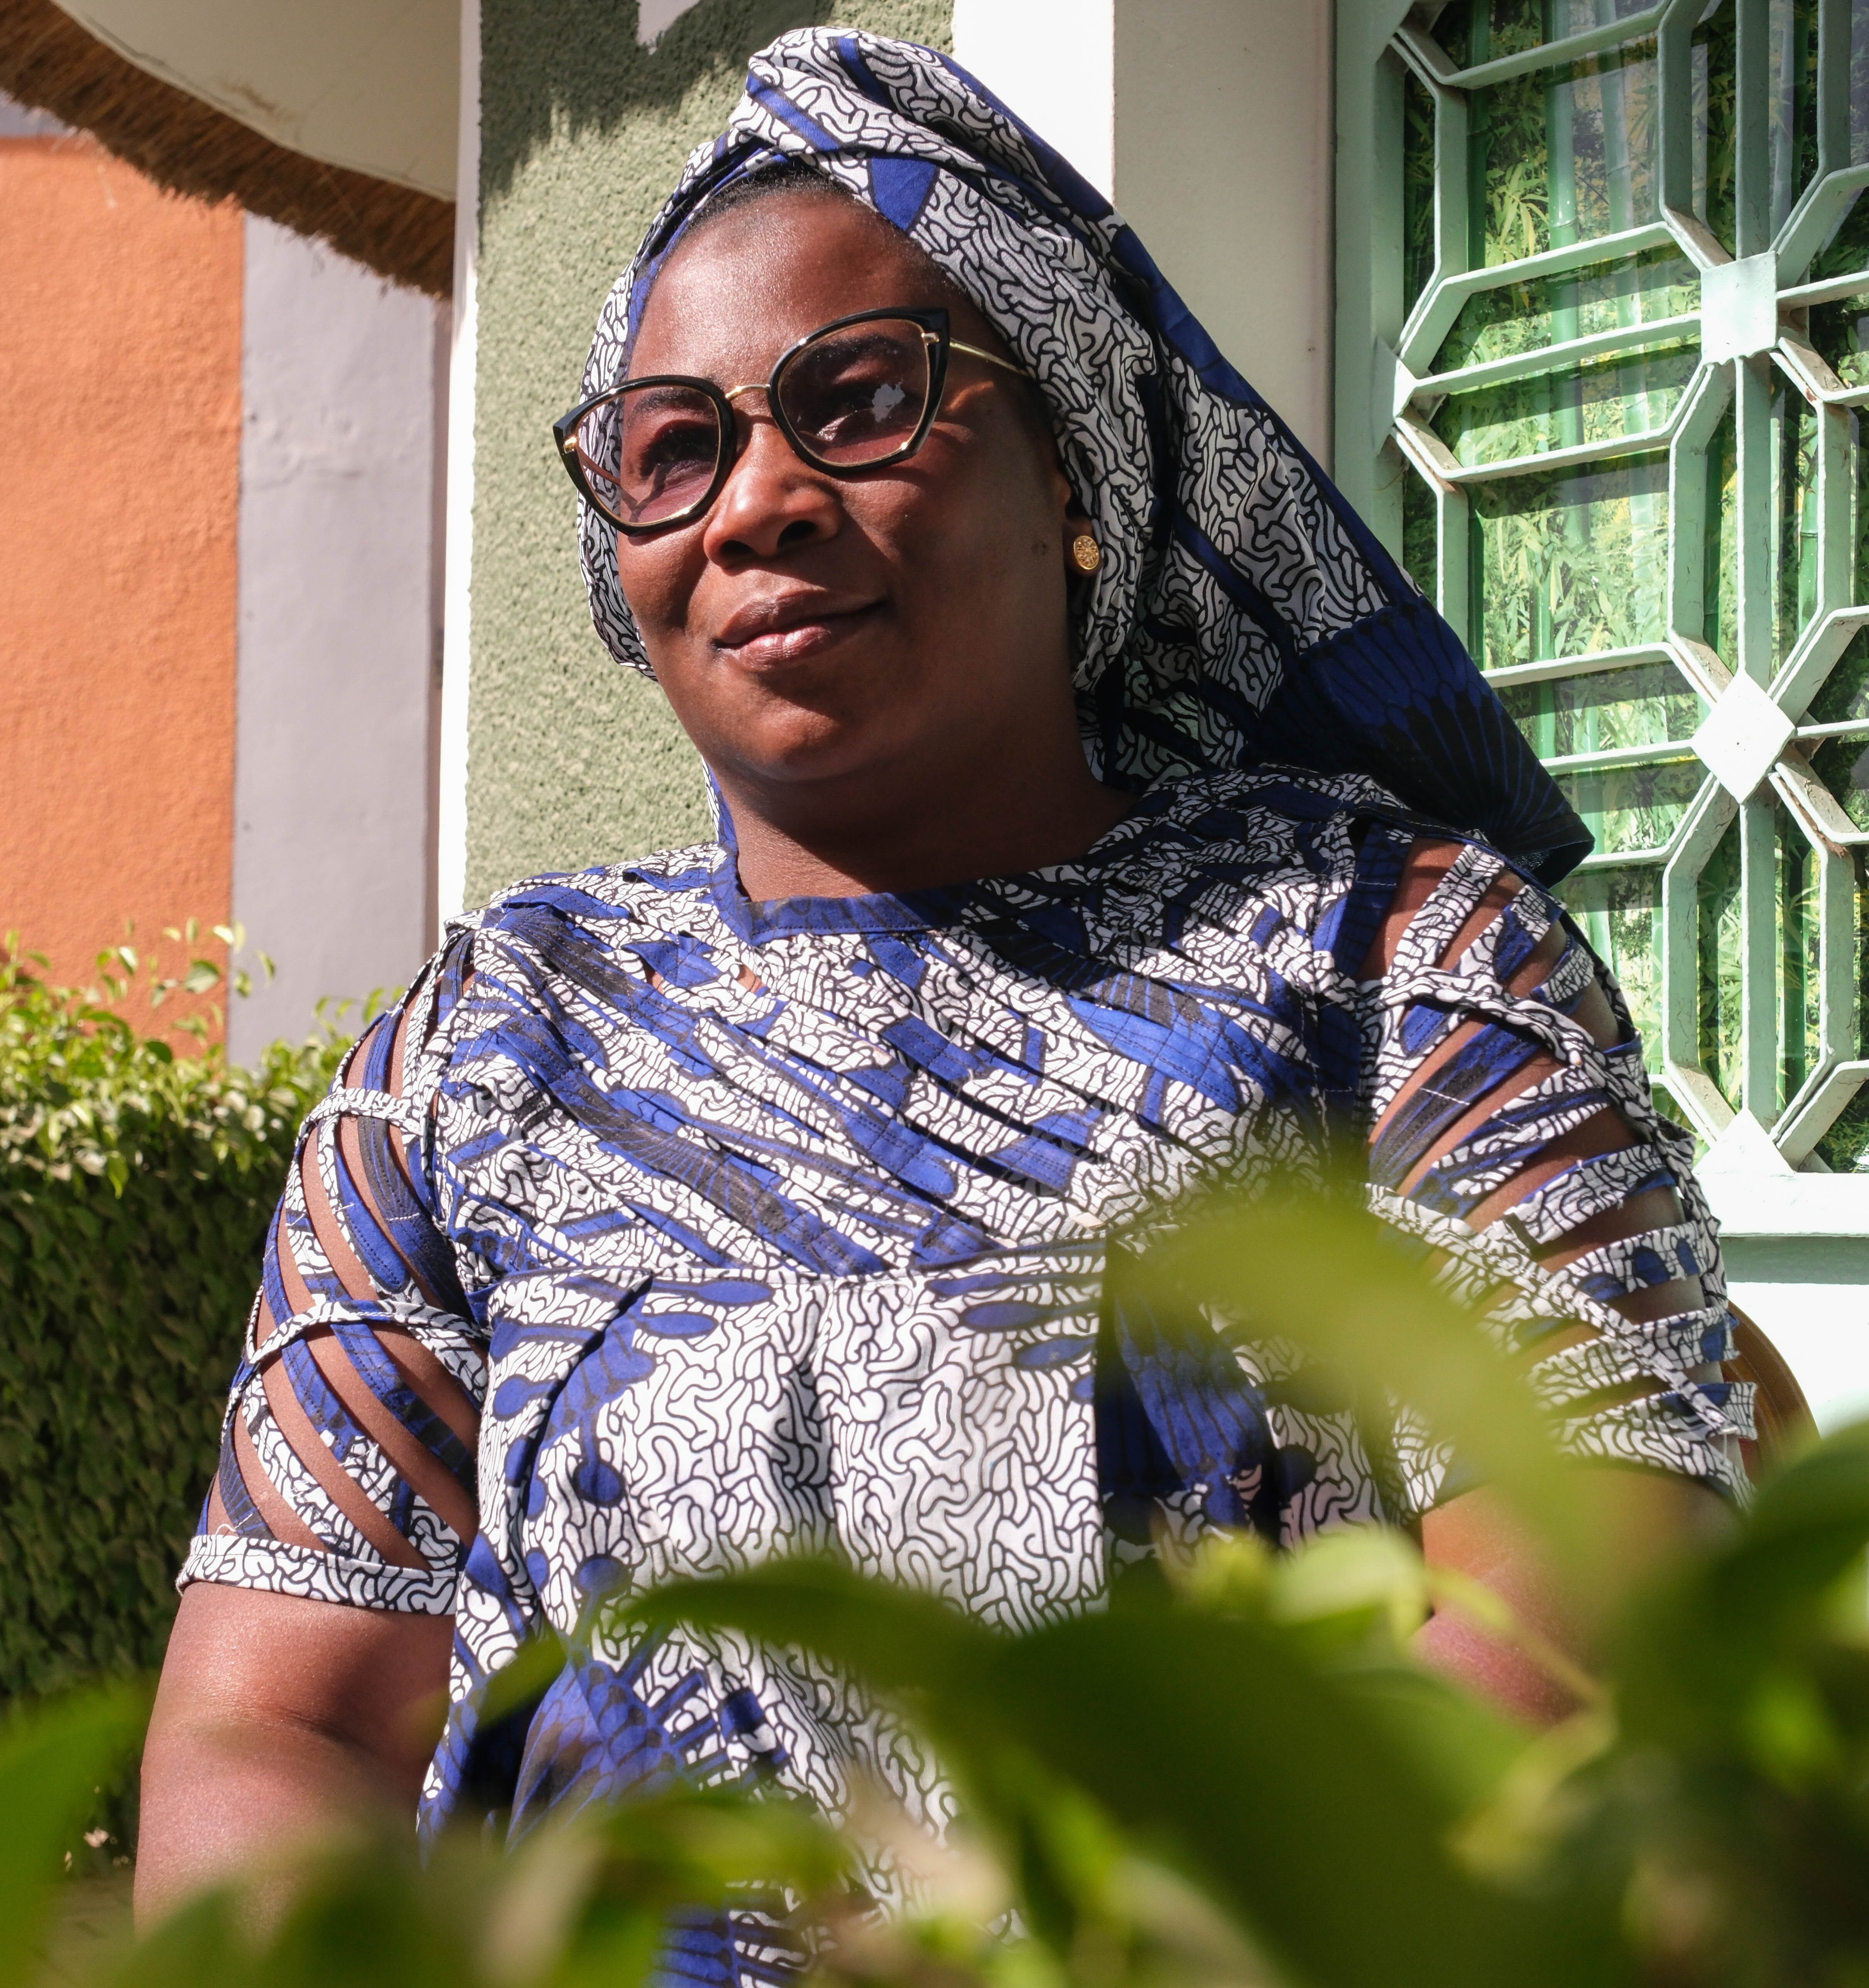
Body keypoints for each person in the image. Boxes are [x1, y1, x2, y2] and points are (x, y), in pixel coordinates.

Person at [134, 28, 1746, 1954]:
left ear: (1070, 472)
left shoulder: (1392, 955)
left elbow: (1589, 1606)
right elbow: (273, 1722)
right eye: (674, 448)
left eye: (862, 400)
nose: (758, 502)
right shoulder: (482, 1046)